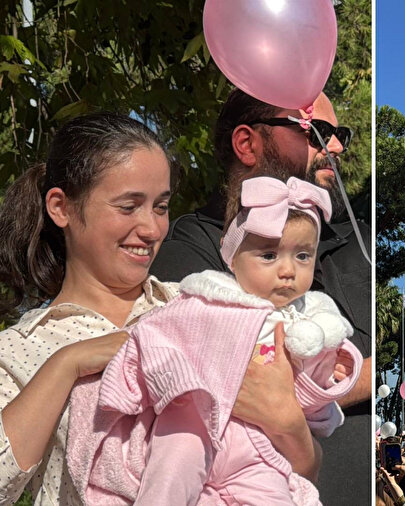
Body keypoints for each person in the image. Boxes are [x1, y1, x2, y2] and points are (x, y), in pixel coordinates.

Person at [0, 113, 314, 504]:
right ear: (61, 207)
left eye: (161, 207)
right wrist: (67, 363)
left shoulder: (202, 306)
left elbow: (299, 468)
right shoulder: (18, 348)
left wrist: (288, 422)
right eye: (129, 207)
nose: (151, 229)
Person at [66, 176, 363, 504]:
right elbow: (156, 336)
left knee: (275, 496)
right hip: (195, 420)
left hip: (257, 449)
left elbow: (307, 403)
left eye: (303, 256)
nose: (288, 270)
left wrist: (329, 374)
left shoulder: (313, 318)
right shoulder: (209, 297)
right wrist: (141, 381)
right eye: (268, 256)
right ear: (233, 258)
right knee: (171, 475)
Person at [150, 88, 372, 503]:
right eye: (316, 131)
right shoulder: (192, 250)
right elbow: (231, 378)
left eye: (341, 132)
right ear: (247, 143)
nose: (336, 146)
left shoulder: (358, 241)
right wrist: (368, 375)